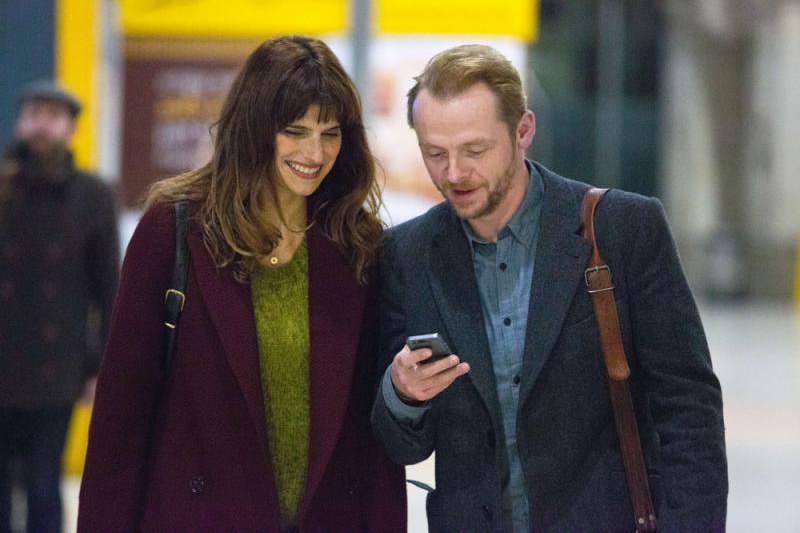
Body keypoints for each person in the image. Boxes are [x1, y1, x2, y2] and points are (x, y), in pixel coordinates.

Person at [371, 44, 728, 532]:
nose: (453, 173)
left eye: (475, 150)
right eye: (435, 153)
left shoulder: (623, 229)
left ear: (523, 131)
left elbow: (689, 411)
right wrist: (403, 394)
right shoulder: (406, 255)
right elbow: (402, 446)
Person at [77, 35, 406, 532]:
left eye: (331, 133)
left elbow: (371, 440)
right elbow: (120, 422)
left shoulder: (356, 241)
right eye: (295, 131)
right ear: (254, 128)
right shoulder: (175, 227)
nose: (315, 153)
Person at [0, 80, 120, 533]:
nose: (40, 126)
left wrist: (100, 367)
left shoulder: (93, 195)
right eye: (33, 114)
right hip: (3, 359)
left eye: (52, 117)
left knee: (44, 485)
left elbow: (108, 288)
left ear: (71, 128)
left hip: (57, 368)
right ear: (19, 123)